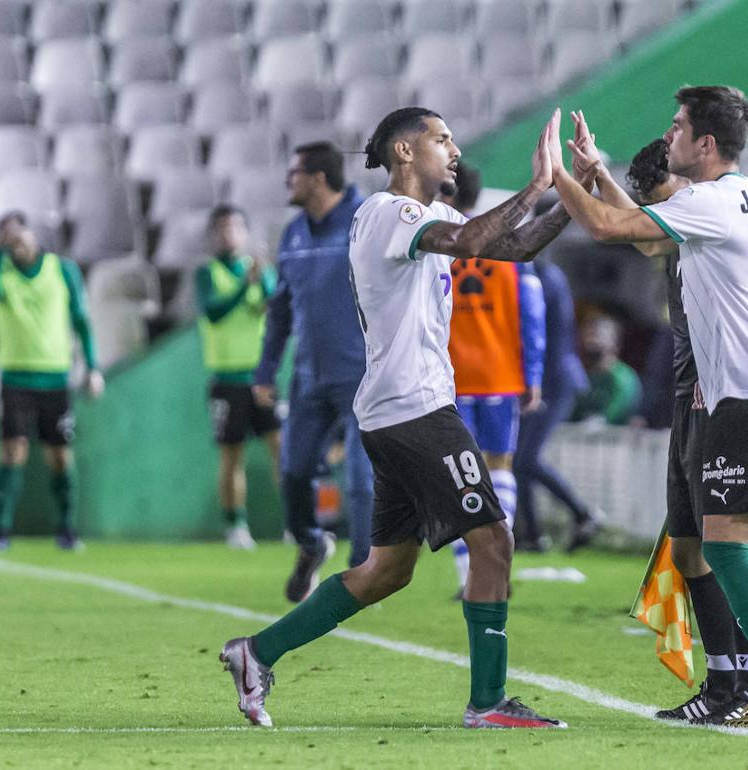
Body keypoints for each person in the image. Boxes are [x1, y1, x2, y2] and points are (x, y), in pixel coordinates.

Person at [221, 108, 585, 729]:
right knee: (494, 541)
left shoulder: (432, 217)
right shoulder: (389, 213)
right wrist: (537, 185)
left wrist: (577, 195)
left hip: (398, 409)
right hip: (413, 408)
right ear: (404, 150)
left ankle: (257, 653)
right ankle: (488, 702)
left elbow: (514, 246)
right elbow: (474, 242)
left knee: (386, 570)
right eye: (441, 138)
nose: (454, 146)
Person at [553, 88, 748, 729]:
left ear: (705, 143)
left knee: (726, 547)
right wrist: (595, 174)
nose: (668, 137)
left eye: (678, 127)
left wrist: (555, 177)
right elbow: (649, 242)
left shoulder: (712, 200)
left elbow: (606, 228)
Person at [604, 137, 748, 722]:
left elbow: (625, 228)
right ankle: (730, 680)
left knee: (729, 547)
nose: (653, 214)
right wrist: (600, 174)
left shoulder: (706, 221)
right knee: (692, 547)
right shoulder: (686, 230)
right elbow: (635, 230)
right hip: (690, 394)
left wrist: (589, 177)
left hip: (717, 395)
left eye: (654, 197)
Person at [253, 142, 371, 601]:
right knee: (294, 471)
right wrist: (266, 370)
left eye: (294, 173)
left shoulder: (367, 221)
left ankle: (363, 577)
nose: (289, 182)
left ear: (318, 178)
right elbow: (280, 310)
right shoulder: (293, 234)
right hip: (308, 378)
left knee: (363, 479)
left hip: (364, 375)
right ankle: (310, 543)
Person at [440, 161, 546, 595]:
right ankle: (498, 566)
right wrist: (533, 373)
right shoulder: (507, 243)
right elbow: (532, 311)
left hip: (452, 377)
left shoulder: (437, 241)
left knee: (460, 477)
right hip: (501, 374)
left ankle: (470, 575)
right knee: (500, 468)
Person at [0, 212, 103, 551]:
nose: (15, 241)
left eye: (19, 233)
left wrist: (93, 367)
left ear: (34, 234)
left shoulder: (62, 270)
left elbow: (81, 320)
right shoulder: (1, 272)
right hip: (15, 377)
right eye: (7, 236)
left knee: (60, 454)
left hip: (54, 378)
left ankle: (66, 527)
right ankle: (1, 529)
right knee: (12, 451)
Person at [195, 206, 281, 550]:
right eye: (222, 228)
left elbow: (274, 305)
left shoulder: (260, 271)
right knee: (232, 456)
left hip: (262, 378)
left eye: (235, 227)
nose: (229, 234)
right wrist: (246, 285)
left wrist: (265, 279)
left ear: (245, 234)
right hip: (226, 378)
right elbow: (213, 311)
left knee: (282, 451)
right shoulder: (207, 273)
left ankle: (297, 523)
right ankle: (235, 525)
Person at [513, 248, 598, 553]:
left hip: (553, 381)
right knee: (518, 460)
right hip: (546, 379)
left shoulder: (542, 278)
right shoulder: (545, 274)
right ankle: (531, 535)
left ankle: (583, 514)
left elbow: (537, 333)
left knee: (524, 459)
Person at [569, 315, 642, 425]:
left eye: (597, 335)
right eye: (587, 334)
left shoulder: (621, 378)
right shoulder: (578, 374)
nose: (590, 340)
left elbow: (611, 416)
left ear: (614, 343)